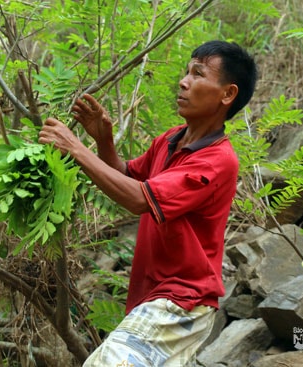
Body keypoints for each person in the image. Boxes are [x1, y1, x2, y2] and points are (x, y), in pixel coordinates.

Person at [38, 40, 258, 366]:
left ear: (227, 94)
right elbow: (127, 176)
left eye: (198, 74)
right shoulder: (171, 139)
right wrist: (102, 140)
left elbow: (140, 199)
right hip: (156, 297)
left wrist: (75, 149)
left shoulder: (217, 160)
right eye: (186, 71)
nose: (183, 81)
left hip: (181, 300)